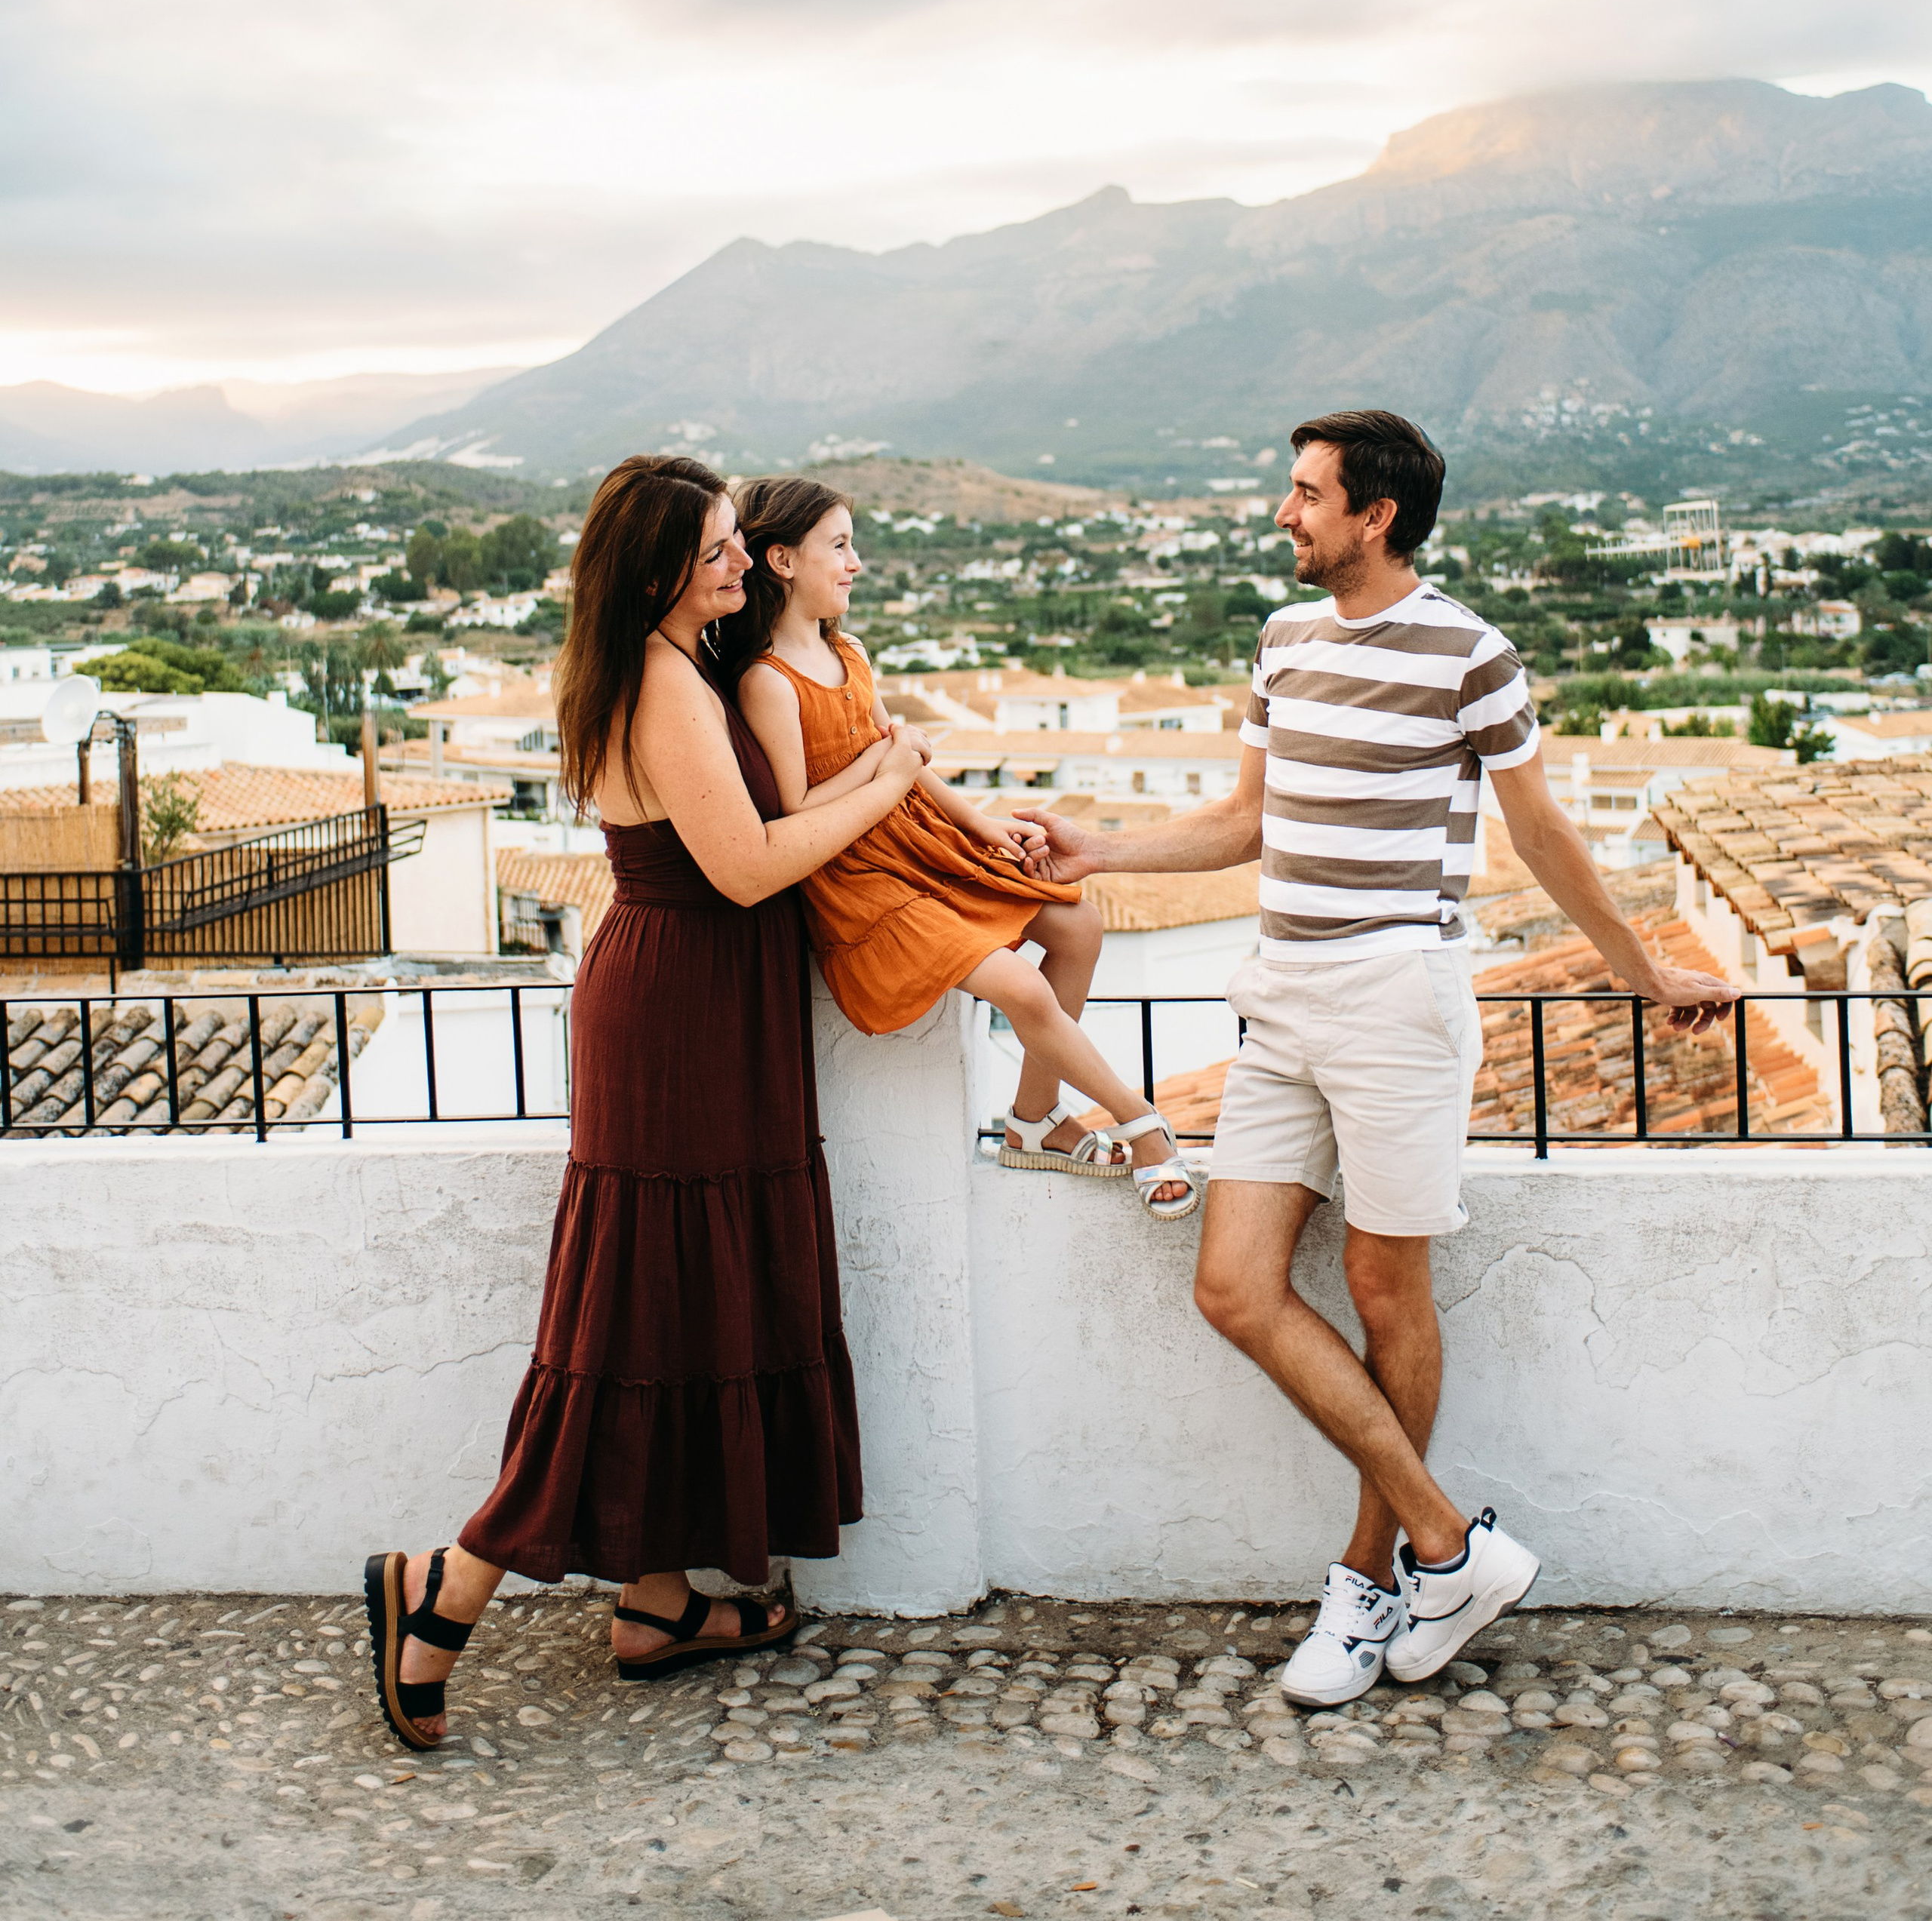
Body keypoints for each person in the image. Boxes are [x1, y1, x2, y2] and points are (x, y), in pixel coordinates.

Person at [1014, 409, 1734, 1706]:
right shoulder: (1285, 640)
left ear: (1375, 515)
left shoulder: (1472, 653)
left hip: (1398, 996)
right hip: (1281, 993)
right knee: (1235, 1288)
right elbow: (1245, 822)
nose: (1283, 513)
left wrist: (1644, 971)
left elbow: (1542, 835)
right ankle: (1449, 1546)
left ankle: (1366, 1584)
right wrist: (1096, 850)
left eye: (1306, 493)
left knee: (1383, 1291)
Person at [364, 455, 934, 1751]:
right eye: (720, 548)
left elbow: (763, 821)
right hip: (683, 1004)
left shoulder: (677, 665)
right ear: (660, 570)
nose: (741, 562)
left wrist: (876, 769)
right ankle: (444, 1591)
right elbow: (749, 868)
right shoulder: (667, 684)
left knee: (687, 1300)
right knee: (631, 1315)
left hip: (709, 999)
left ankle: (659, 1602)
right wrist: (893, 785)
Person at [718, 475, 1195, 1219]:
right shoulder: (767, 682)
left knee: (1078, 925)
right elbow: (800, 807)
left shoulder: (848, 651)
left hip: (921, 841)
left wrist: (981, 824)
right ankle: (1144, 1126)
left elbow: (909, 765)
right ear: (782, 561)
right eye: (838, 546)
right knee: (1022, 988)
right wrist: (887, 762)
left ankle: (1034, 1118)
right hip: (861, 876)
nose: (855, 563)